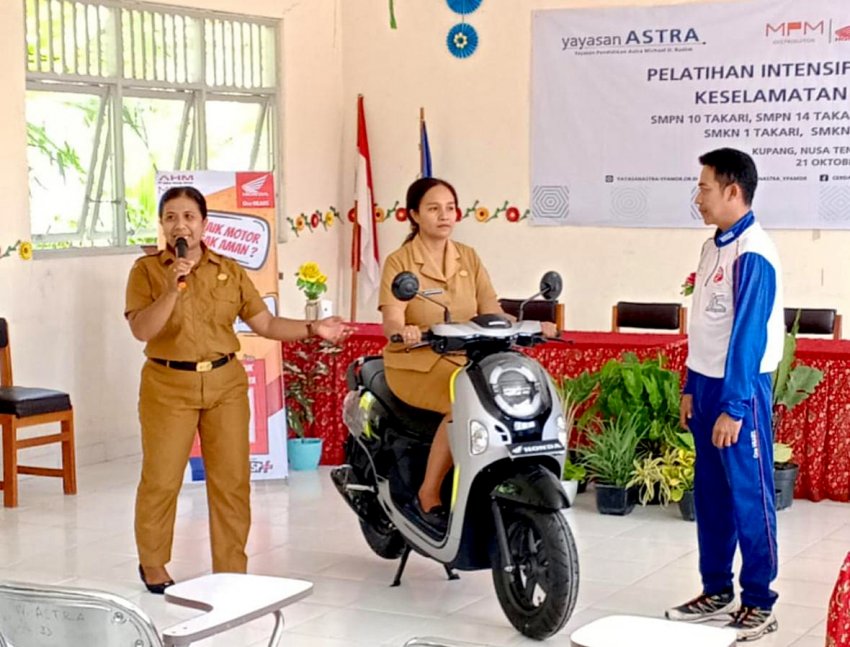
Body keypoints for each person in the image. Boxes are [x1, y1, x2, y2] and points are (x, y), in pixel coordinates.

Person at [125, 186, 349, 593]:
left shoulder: (229, 269)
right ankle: (153, 563)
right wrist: (172, 289)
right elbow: (143, 329)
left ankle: (230, 569)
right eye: (171, 216)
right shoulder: (146, 272)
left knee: (231, 480)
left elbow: (265, 324)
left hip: (226, 383)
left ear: (204, 224)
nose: (181, 225)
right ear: (162, 225)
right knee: (162, 479)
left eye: (190, 216)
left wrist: (313, 328)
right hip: (167, 384)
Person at [378, 177, 556, 530]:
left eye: (449, 208)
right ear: (414, 215)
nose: (444, 215)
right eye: (433, 208)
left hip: (466, 360)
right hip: (416, 361)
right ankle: (428, 493)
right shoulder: (400, 262)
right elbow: (392, 319)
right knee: (458, 402)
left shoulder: (468, 257)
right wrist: (404, 330)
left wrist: (529, 323)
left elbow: (491, 311)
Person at [665, 148, 783, 642]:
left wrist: (734, 406)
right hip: (708, 384)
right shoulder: (713, 245)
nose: (698, 198)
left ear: (733, 191)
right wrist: (693, 384)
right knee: (711, 496)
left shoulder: (754, 252)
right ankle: (716, 589)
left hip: (742, 389)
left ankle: (759, 600)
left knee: (748, 497)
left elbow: (747, 337)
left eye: (705, 188)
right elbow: (706, 326)